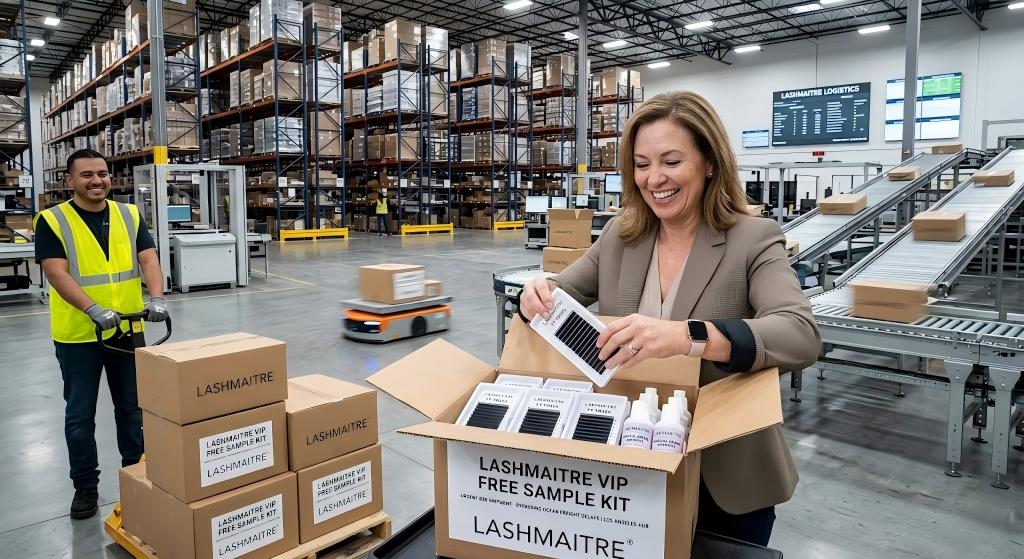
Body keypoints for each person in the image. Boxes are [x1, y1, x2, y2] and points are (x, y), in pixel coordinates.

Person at [519, 91, 820, 546]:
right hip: (629, 465)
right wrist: (537, 294)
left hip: (723, 474)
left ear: (710, 162)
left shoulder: (752, 239)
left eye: (671, 161)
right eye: (641, 164)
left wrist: (689, 336)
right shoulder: (623, 236)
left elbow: (799, 334)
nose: (654, 178)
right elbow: (563, 289)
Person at [34, 149, 170, 520]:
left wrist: (156, 297)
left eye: (103, 174)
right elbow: (56, 272)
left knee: (132, 410)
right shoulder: (52, 220)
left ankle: (137, 473)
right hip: (79, 335)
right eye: (87, 175)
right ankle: (85, 486)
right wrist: (92, 309)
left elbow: (149, 259)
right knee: (80, 415)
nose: (97, 181)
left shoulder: (129, 214)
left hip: (126, 330)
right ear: (70, 181)